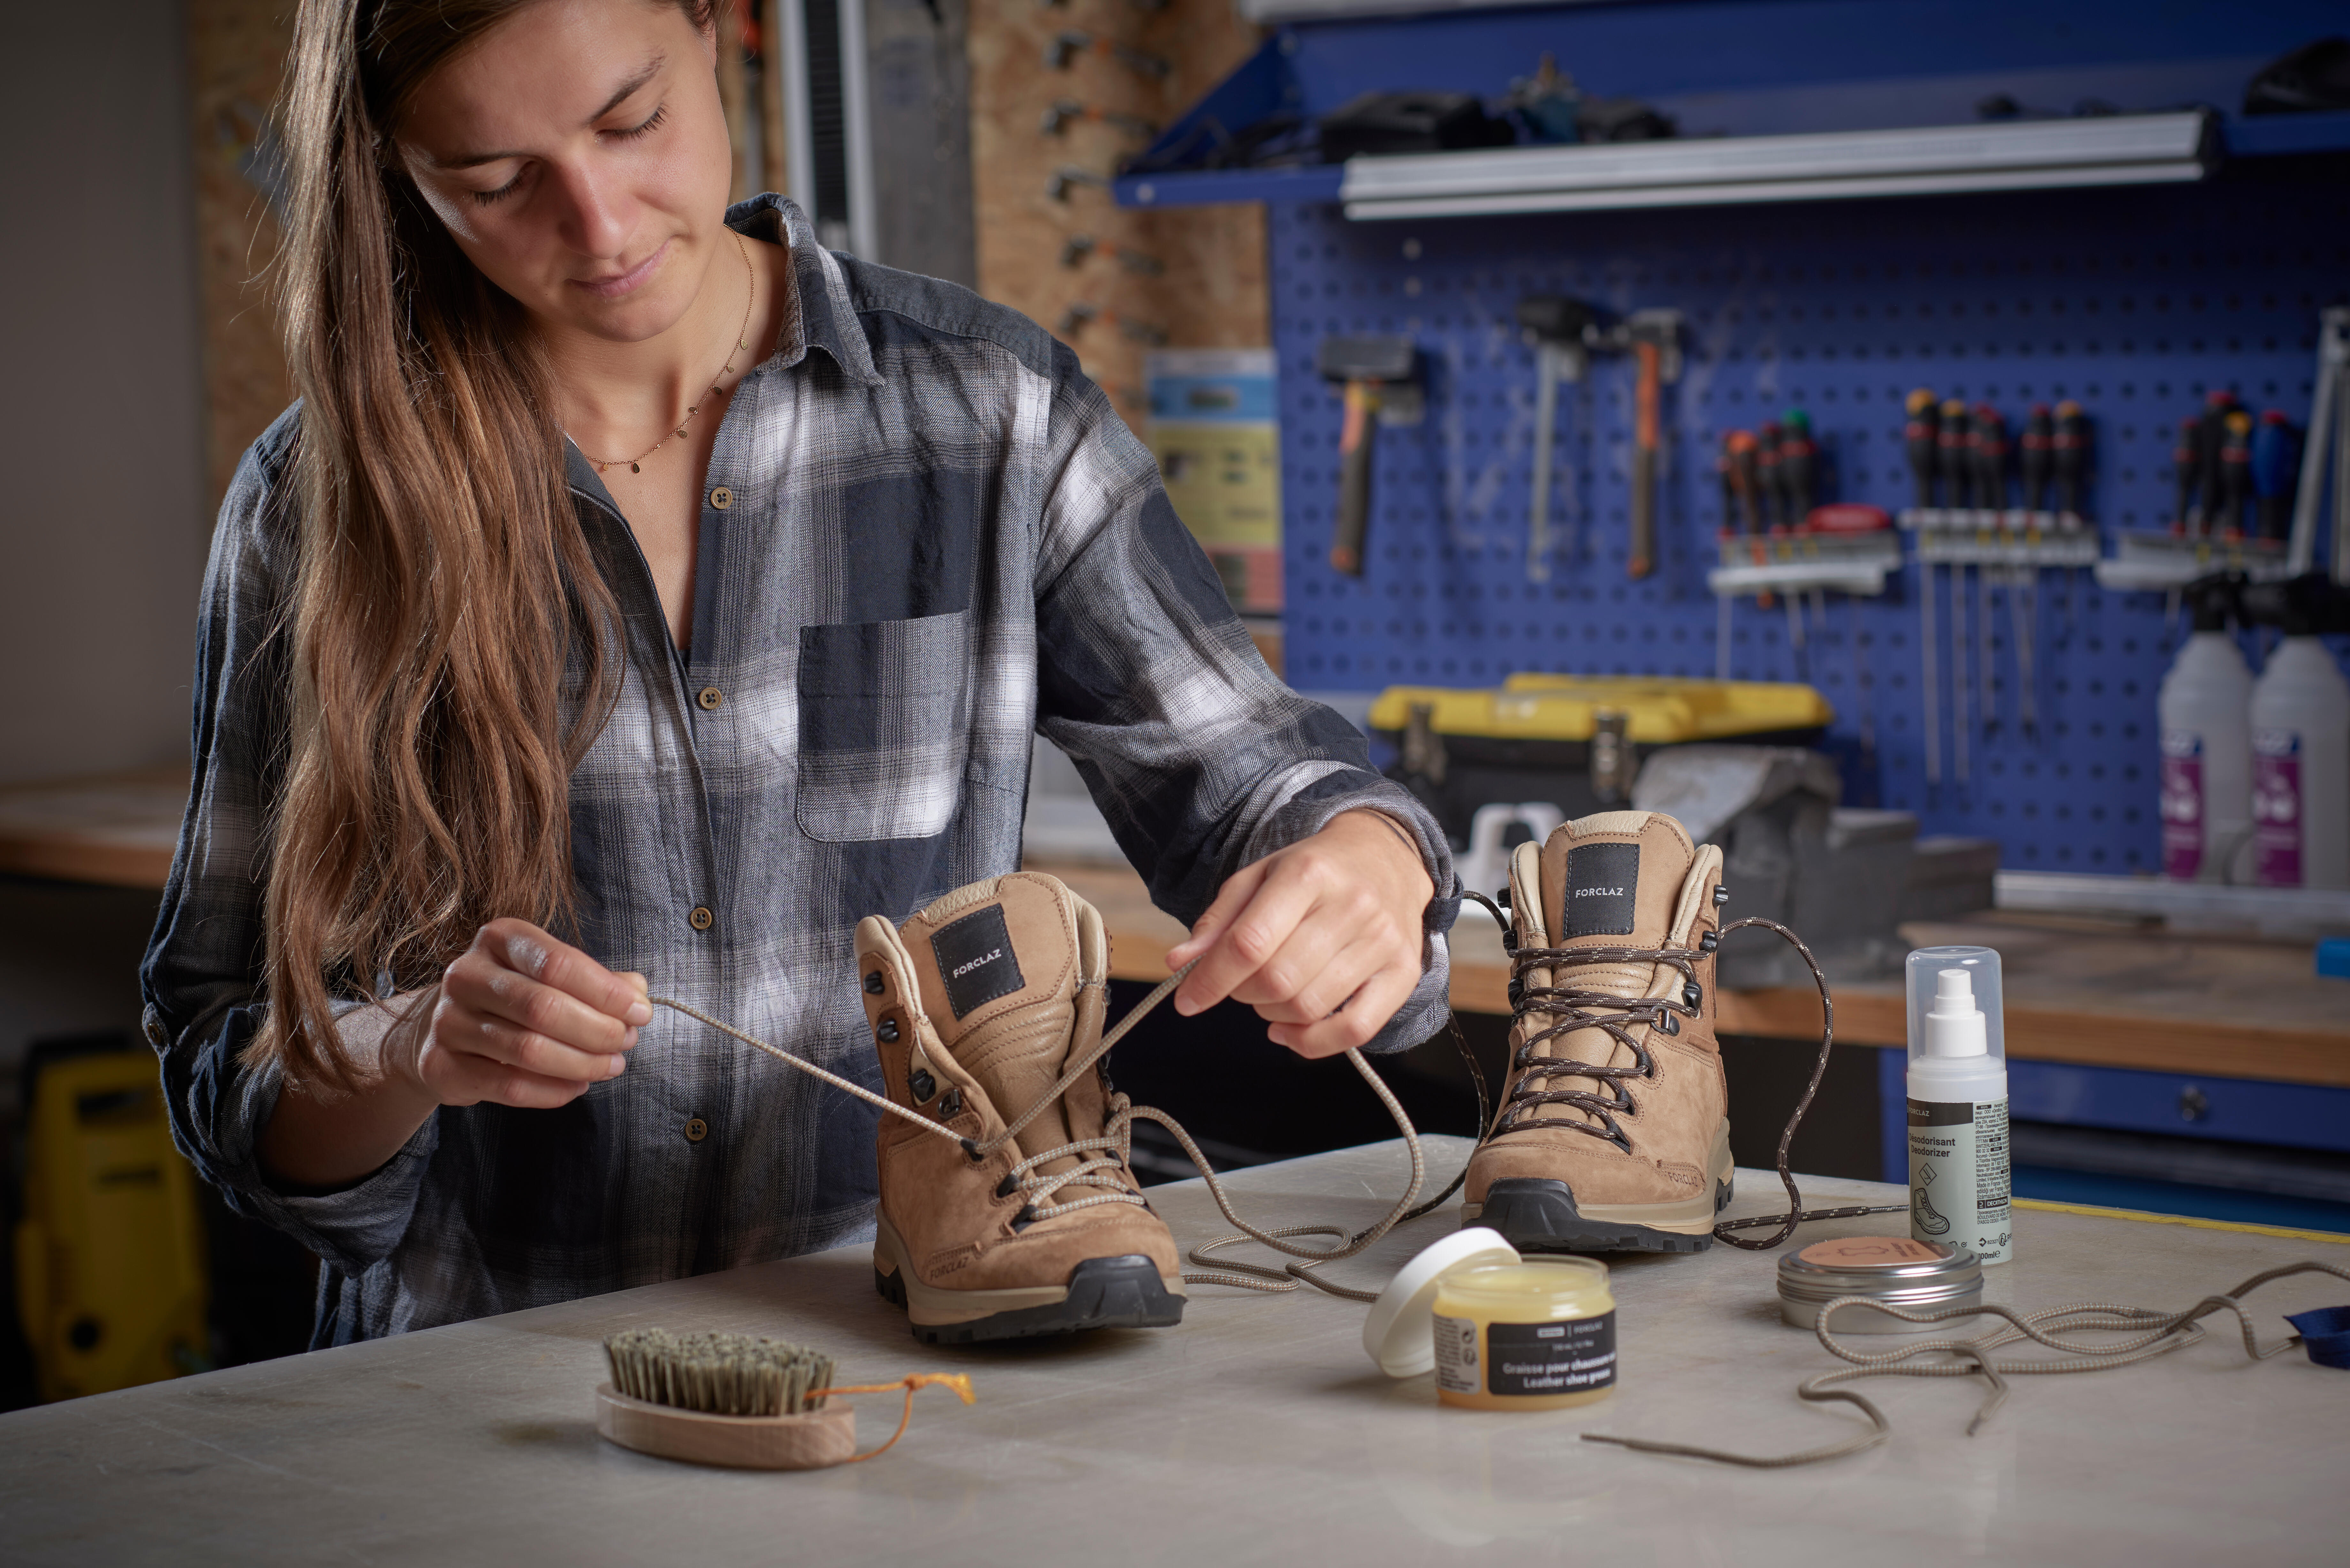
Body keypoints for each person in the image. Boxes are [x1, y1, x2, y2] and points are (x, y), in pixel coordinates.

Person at [141, 0, 1455, 1345]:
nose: (598, 225)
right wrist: (405, 1049)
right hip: (485, 1413)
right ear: (397, 175)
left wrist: (1364, 864)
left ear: (716, 30)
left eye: (629, 121)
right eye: (495, 182)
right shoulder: (318, 505)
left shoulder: (993, 416)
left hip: (905, 1374)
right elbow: (227, 1074)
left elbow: (1260, 790)